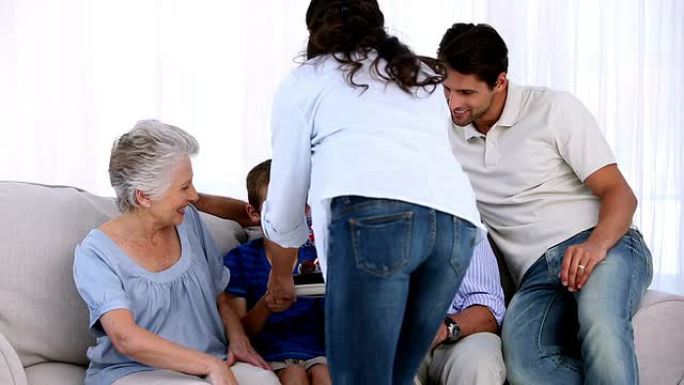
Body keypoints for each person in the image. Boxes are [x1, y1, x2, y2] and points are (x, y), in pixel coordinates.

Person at [260, 1, 485, 384]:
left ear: (315, 32)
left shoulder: (307, 80)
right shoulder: (419, 76)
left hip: (376, 223)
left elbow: (285, 202)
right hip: (455, 228)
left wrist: (281, 269)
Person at [438, 23, 653, 385]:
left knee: (600, 322)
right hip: (536, 273)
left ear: (500, 82)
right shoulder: (446, 138)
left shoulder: (553, 108)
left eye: (467, 92)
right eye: (447, 90)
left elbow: (619, 192)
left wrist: (594, 246)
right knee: (523, 367)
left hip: (604, 244)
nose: (454, 103)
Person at [72, 120, 280, 385]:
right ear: (144, 197)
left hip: (210, 360)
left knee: (266, 382)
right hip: (135, 370)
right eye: (184, 187)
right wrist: (210, 366)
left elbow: (221, 295)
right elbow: (126, 339)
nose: (194, 196)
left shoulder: (188, 221)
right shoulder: (96, 254)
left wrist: (238, 339)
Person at [223, 159, 330, 385]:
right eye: (280, 206)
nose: (291, 216)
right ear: (254, 213)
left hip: (318, 353)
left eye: (300, 204)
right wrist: (266, 305)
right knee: (294, 375)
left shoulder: (317, 254)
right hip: (272, 354)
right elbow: (240, 332)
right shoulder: (240, 260)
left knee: (323, 375)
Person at [415, 239, 506, 385]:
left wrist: (447, 328)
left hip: (458, 332)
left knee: (478, 363)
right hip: (394, 341)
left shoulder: (464, 221)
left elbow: (489, 311)